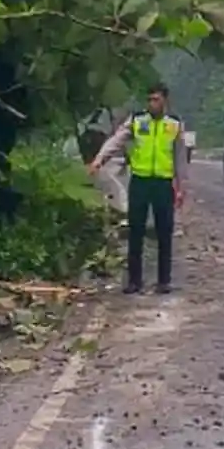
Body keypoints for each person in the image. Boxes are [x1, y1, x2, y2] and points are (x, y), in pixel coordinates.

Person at [87, 83, 187, 294]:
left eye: (156, 100)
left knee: (164, 232)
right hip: (140, 182)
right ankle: (134, 281)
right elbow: (116, 140)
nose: (152, 104)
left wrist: (181, 186)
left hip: (163, 183)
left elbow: (179, 157)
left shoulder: (174, 125)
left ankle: (164, 280)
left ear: (165, 101)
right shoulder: (138, 120)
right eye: (149, 100)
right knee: (136, 231)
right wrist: (99, 160)